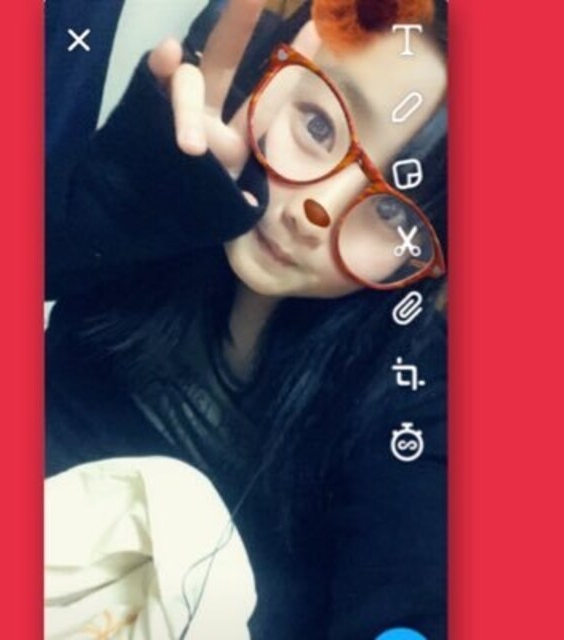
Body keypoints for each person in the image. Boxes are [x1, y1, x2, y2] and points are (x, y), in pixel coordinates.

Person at [45, 0, 448, 637]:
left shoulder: (412, 390)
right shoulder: (160, 186)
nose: (315, 213)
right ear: (272, 69)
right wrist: (117, 207)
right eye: (318, 125)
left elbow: (412, 587)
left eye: (394, 211)